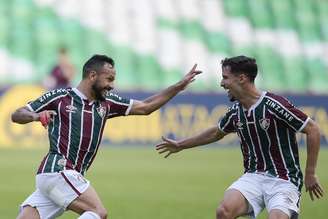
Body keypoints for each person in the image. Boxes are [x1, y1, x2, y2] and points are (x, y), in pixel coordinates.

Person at [12, 54, 201, 219]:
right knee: (98, 212)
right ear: (92, 75)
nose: (112, 85)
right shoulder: (60, 96)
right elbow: (18, 114)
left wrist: (179, 86)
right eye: (109, 79)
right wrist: (36, 116)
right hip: (59, 170)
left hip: (58, 177)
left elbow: (146, 107)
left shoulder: (107, 103)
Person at [156, 56, 324, 219]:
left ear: (242, 78)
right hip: (253, 176)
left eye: (225, 78)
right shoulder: (235, 111)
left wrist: (310, 174)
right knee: (224, 211)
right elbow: (216, 132)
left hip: (284, 179)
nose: (222, 83)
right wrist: (180, 145)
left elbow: (313, 129)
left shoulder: (274, 105)